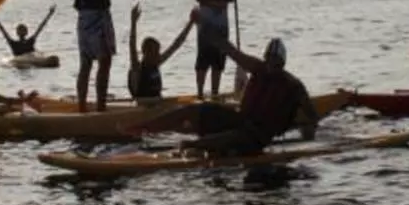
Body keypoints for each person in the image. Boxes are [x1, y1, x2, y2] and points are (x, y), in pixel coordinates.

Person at [134, 29, 319, 156]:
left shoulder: (294, 86)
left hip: (259, 135)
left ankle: (193, 146)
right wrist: (214, 37)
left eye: (276, 62)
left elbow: (312, 116)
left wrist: (308, 131)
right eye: (269, 59)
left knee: (238, 135)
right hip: (241, 120)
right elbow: (232, 52)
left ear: (282, 63)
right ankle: (143, 127)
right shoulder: (257, 67)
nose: (271, 65)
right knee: (197, 109)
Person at [127, 3, 195, 101]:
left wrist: (191, 22)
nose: (158, 55)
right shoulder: (136, 68)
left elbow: (176, 45)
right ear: (145, 52)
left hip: (159, 104)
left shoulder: (156, 63)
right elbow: (132, 47)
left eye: (158, 52)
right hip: (144, 108)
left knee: (189, 100)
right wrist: (133, 22)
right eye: (155, 52)